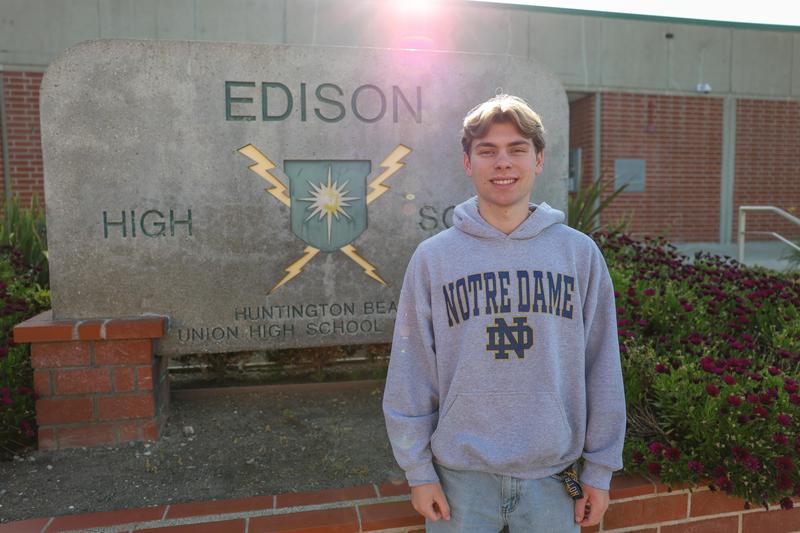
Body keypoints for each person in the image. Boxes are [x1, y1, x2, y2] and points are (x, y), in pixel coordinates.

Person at [382, 94, 626, 532]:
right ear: (467, 162)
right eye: (487, 151)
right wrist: (417, 472)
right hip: (460, 481)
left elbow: (602, 365)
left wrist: (600, 471)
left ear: (538, 161)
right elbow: (411, 369)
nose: (502, 163)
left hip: (554, 478)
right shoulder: (433, 259)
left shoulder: (578, 254)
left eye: (517, 149)